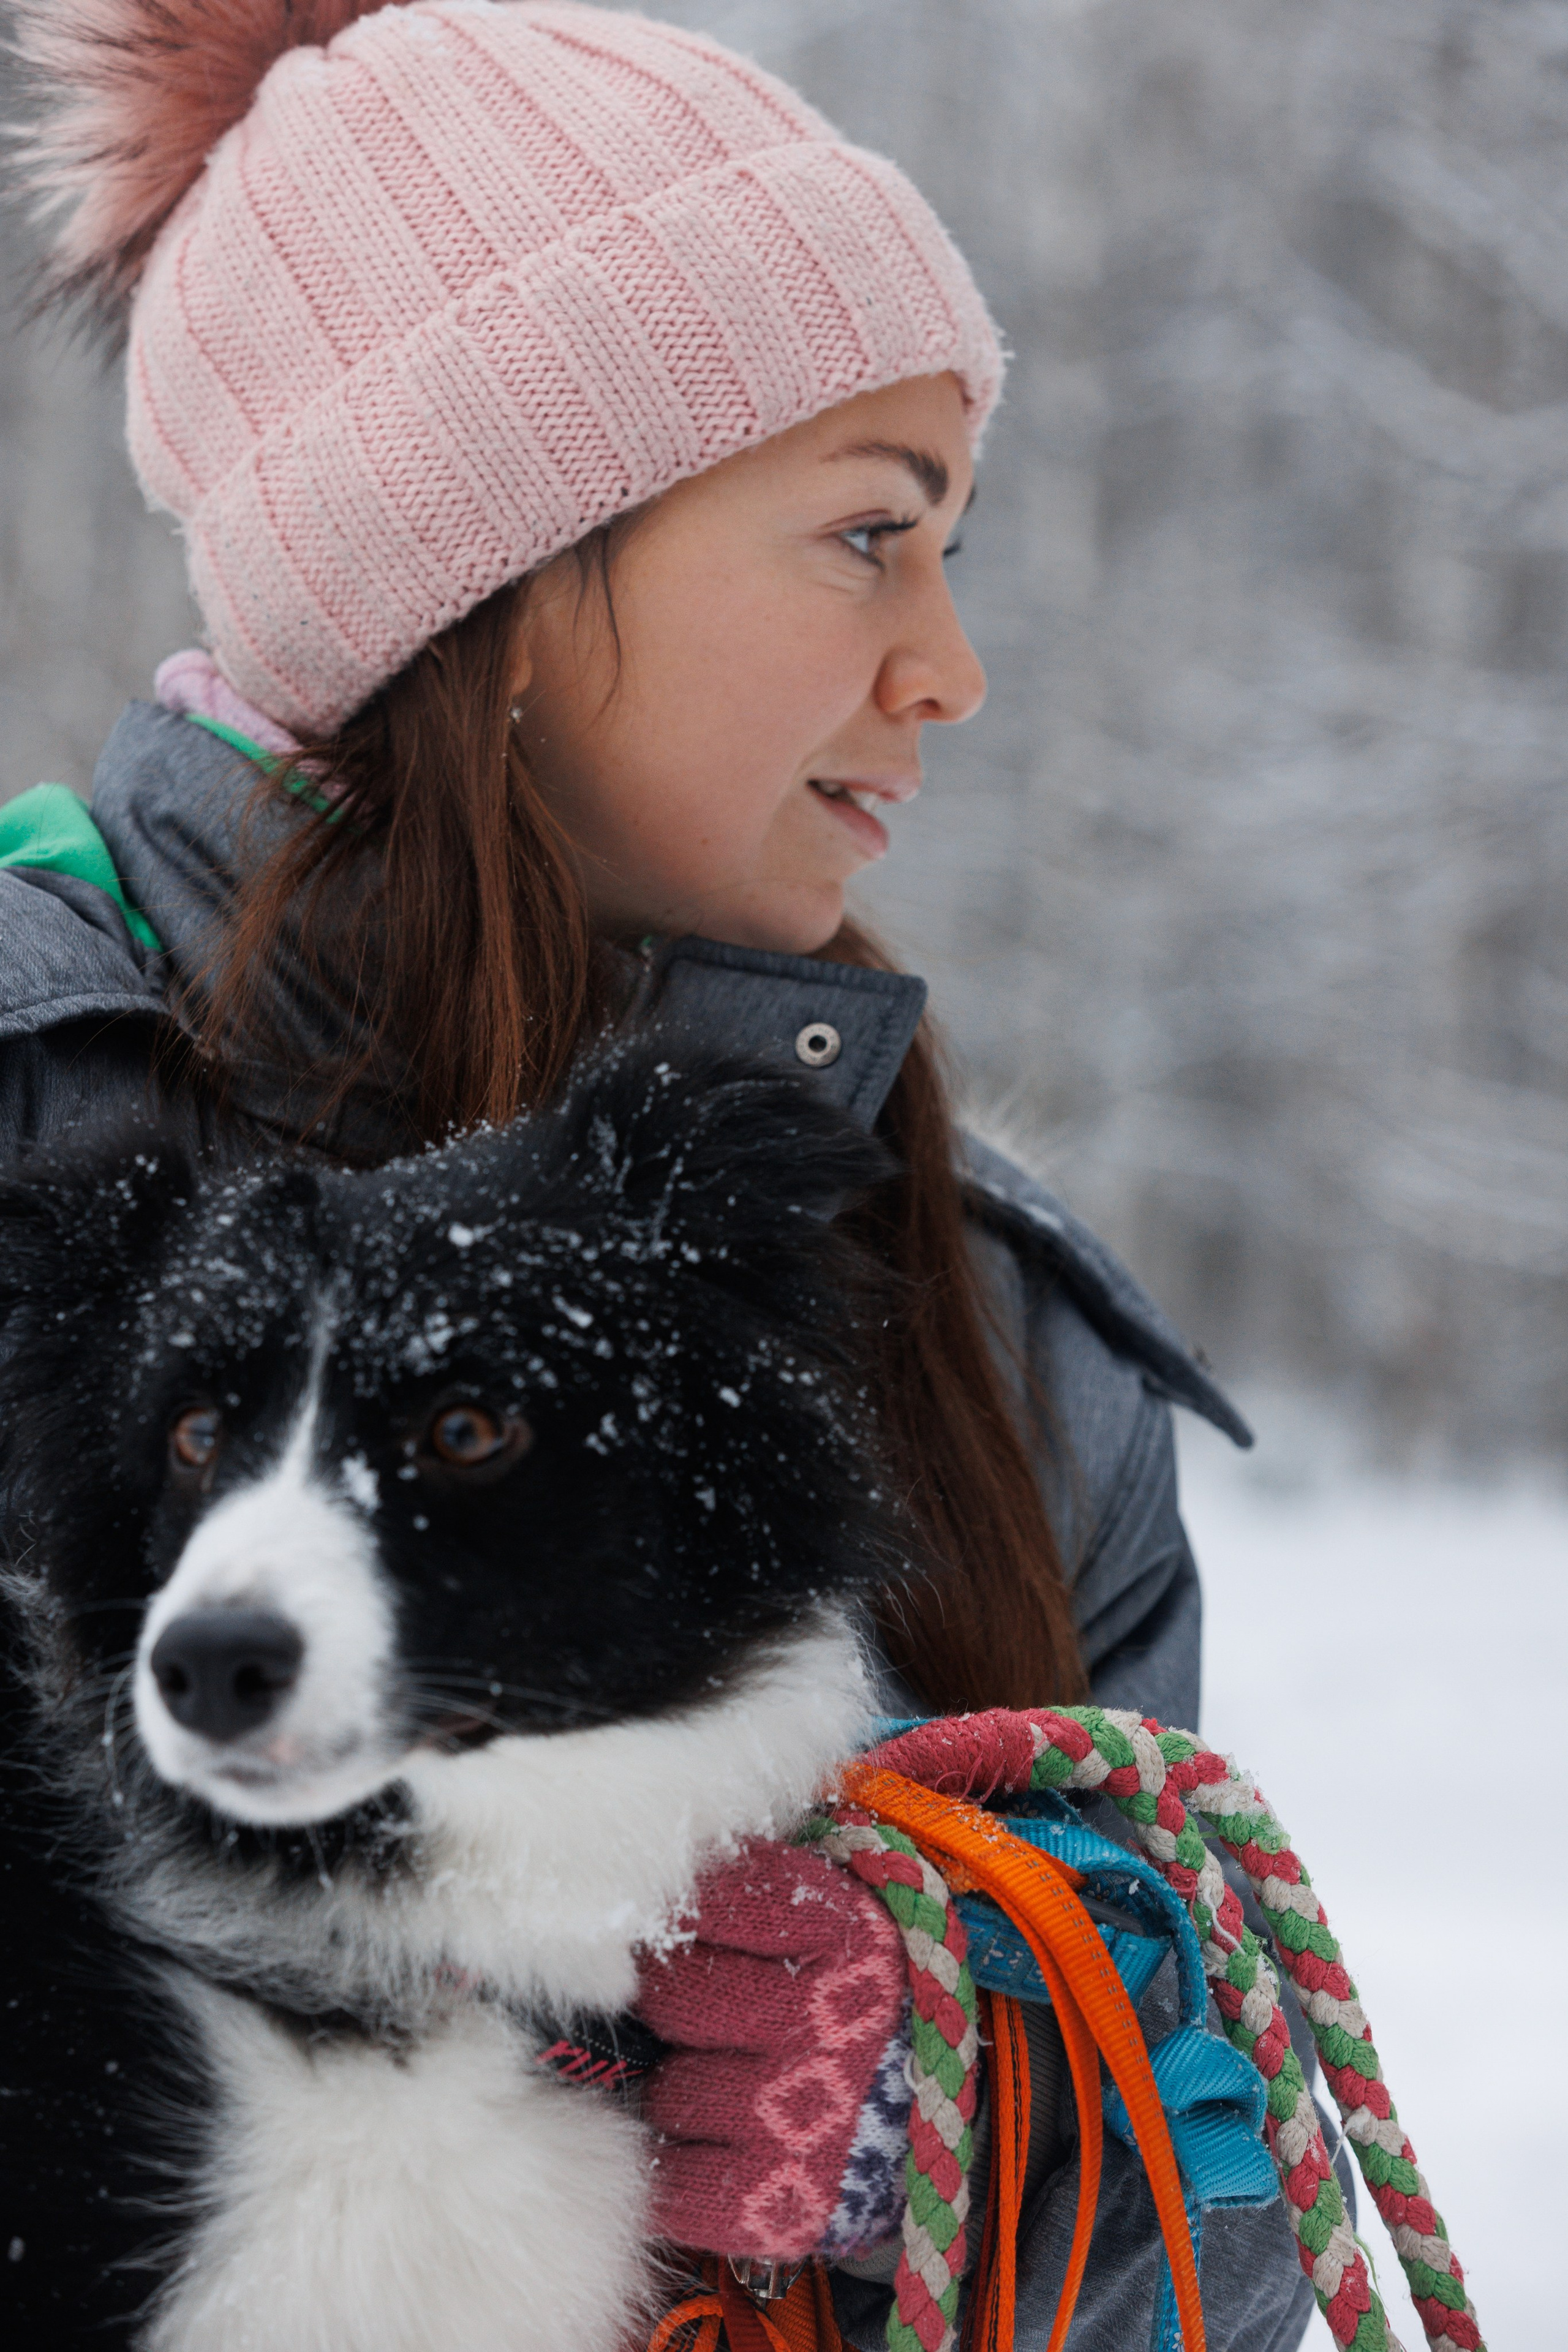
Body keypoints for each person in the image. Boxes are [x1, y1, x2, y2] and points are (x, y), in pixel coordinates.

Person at [0, 4, 1315, 2346]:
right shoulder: (38, 1132)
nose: (953, 668)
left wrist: (1028, 2117)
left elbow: (1191, 2291)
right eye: (869, 536)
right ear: (493, 571)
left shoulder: (983, 1326)